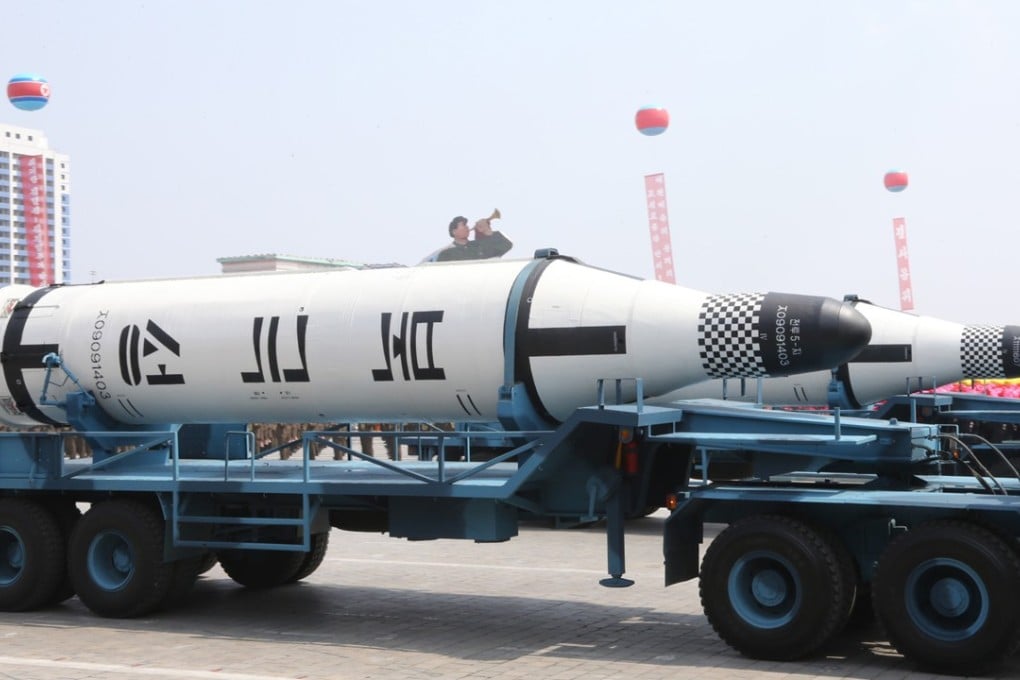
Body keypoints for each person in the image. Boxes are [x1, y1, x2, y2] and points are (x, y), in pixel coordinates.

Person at [434, 215, 512, 262]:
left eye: (467, 225)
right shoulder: (447, 253)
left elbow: (507, 245)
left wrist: (487, 231)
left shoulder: (479, 245)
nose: (467, 227)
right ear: (454, 231)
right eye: (463, 225)